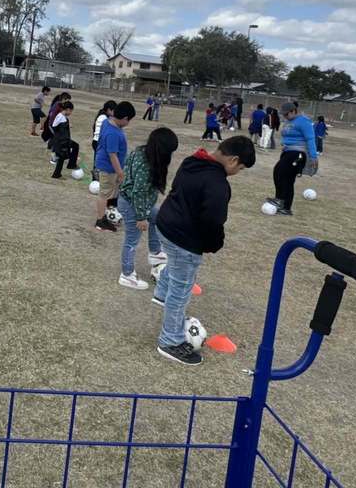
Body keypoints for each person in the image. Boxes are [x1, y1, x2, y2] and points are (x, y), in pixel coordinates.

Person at [152, 136, 256, 365]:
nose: (238, 172)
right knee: (180, 291)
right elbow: (213, 222)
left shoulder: (192, 161)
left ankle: (160, 293)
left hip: (165, 226)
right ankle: (170, 341)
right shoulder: (218, 184)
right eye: (240, 168)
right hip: (184, 240)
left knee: (174, 267)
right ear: (233, 160)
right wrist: (214, 244)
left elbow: (177, 191)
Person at [118, 127, 179, 290]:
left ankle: (155, 252)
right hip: (132, 204)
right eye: (170, 151)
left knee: (158, 218)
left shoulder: (141, 151)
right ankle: (127, 275)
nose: (171, 156)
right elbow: (138, 192)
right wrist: (141, 217)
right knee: (131, 241)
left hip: (136, 202)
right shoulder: (146, 165)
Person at [267, 102, 318, 216]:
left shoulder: (304, 121)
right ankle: (282, 203)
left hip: (298, 154)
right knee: (280, 174)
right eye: (283, 115)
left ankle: (284, 204)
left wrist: (314, 156)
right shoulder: (288, 121)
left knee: (284, 176)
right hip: (287, 152)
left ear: (294, 111)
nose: (285, 117)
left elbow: (310, 139)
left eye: (286, 114)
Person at [94, 101, 136, 231]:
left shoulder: (108, 121)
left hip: (111, 166)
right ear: (124, 118)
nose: (128, 124)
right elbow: (112, 155)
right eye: (129, 120)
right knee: (104, 194)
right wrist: (120, 173)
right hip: (108, 167)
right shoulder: (114, 133)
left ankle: (109, 214)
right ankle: (100, 221)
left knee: (112, 192)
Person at [49, 101, 81, 179]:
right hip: (62, 141)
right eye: (71, 111)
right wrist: (65, 143)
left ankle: (57, 174)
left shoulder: (60, 116)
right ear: (67, 109)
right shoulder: (62, 118)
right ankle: (71, 164)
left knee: (61, 158)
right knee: (75, 146)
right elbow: (62, 132)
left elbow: (54, 126)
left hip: (59, 140)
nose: (71, 113)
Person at [91, 100, 117, 181]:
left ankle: (96, 179)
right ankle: (95, 180)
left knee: (99, 161)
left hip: (97, 141)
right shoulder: (103, 118)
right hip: (98, 142)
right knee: (99, 162)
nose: (114, 113)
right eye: (113, 111)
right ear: (109, 110)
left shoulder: (103, 116)